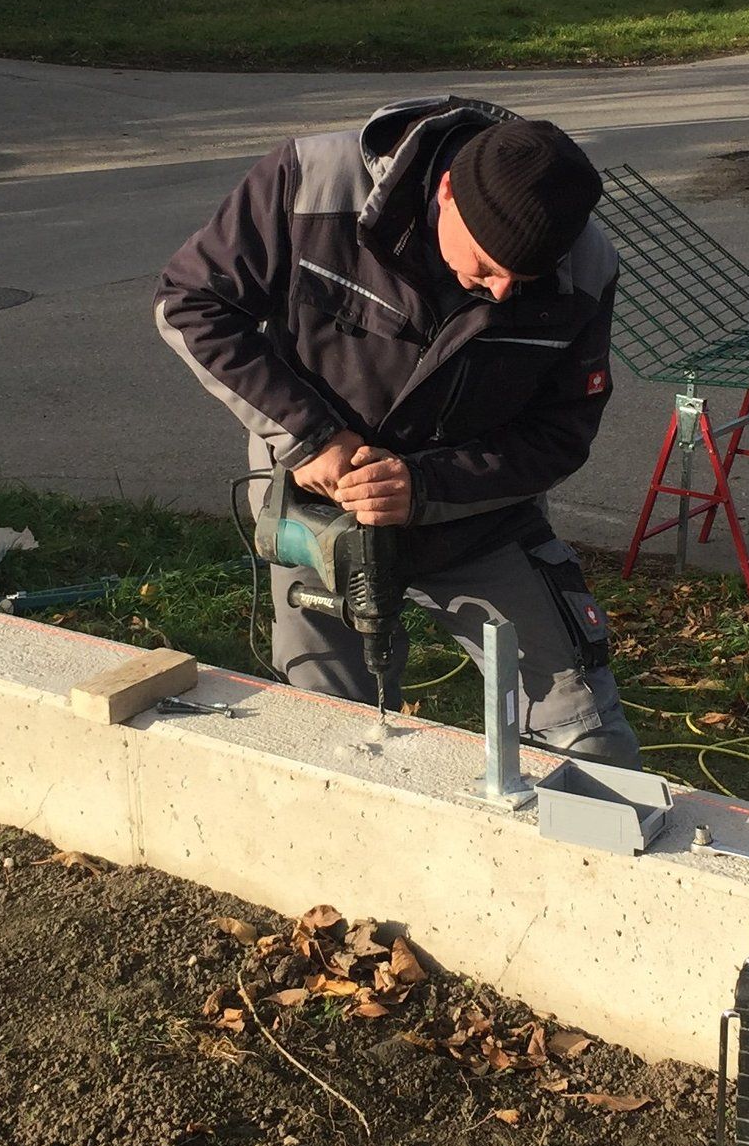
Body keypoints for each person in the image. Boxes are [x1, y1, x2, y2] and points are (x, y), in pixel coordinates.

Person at [155, 98, 640, 767]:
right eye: (489, 265)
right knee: (323, 738)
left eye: (521, 280)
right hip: (321, 517)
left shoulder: (584, 267)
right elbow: (193, 304)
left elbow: (561, 432)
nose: (501, 293)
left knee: (586, 740)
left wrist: (425, 487)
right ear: (446, 193)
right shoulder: (312, 184)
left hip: (479, 522)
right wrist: (311, 438)